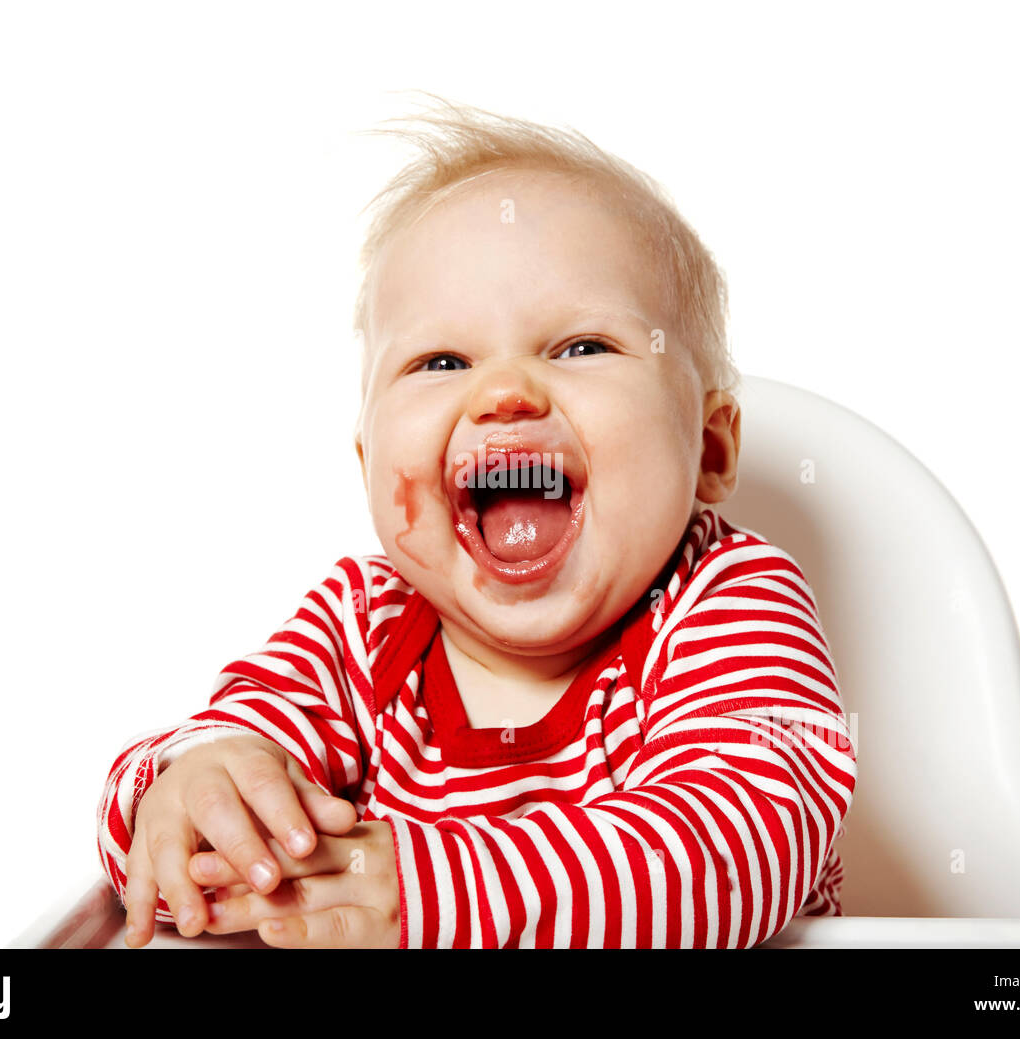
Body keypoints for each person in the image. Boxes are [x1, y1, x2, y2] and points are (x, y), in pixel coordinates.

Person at [96, 97, 857, 948]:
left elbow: (744, 838)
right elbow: (170, 838)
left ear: (711, 448)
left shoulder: (730, 597)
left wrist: (432, 894)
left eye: (580, 347)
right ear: (367, 466)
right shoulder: (358, 625)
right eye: (441, 361)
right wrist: (199, 792)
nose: (504, 392)